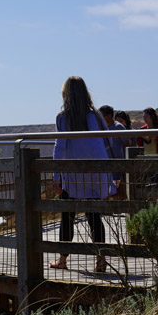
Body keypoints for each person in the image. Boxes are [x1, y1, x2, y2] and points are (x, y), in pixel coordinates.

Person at [50, 76, 116, 273]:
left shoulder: (63, 118)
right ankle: (101, 261)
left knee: (67, 217)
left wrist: (56, 177)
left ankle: (62, 259)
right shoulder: (95, 116)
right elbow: (109, 142)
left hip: (74, 175)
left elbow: (59, 147)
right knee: (94, 217)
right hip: (96, 172)